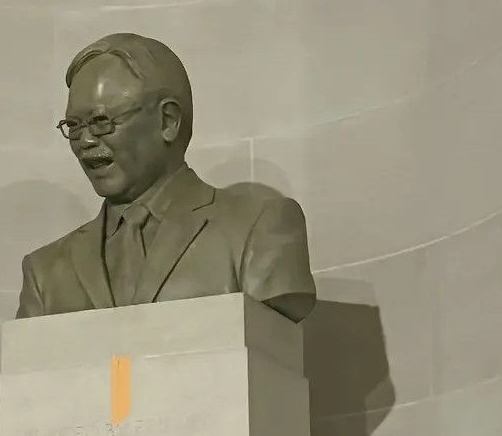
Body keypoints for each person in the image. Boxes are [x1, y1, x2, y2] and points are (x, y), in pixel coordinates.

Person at [16, 33, 316, 322]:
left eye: (100, 121)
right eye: (74, 125)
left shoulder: (257, 229)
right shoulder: (45, 273)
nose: (86, 140)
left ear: (167, 121)